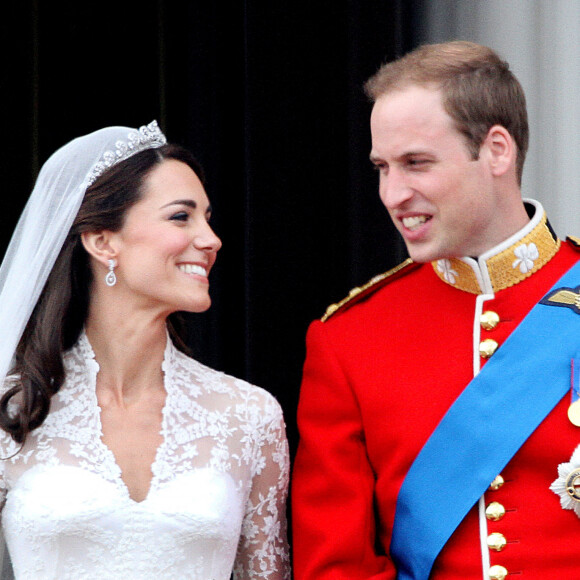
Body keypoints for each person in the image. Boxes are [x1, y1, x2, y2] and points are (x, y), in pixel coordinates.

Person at [292, 41, 580, 579]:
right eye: (383, 167)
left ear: (497, 150)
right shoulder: (349, 339)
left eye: (416, 163)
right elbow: (335, 566)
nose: (392, 193)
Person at [0, 121, 290, 579]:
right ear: (102, 241)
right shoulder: (11, 408)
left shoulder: (250, 416)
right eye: (181, 216)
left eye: (208, 218)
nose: (211, 239)